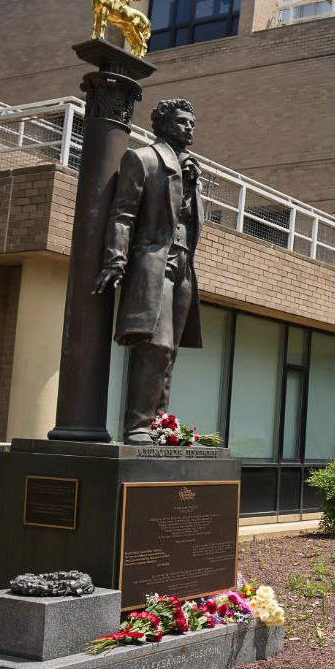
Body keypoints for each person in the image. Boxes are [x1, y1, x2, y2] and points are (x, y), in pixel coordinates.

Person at [93, 98, 204, 445]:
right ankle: (137, 426)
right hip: (155, 261)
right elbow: (123, 213)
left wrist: (188, 184)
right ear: (164, 124)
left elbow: (188, 220)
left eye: (192, 122)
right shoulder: (142, 159)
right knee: (156, 345)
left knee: (170, 352)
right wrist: (115, 259)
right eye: (182, 121)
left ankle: (160, 428)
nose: (190, 127)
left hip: (184, 266)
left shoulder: (191, 171)